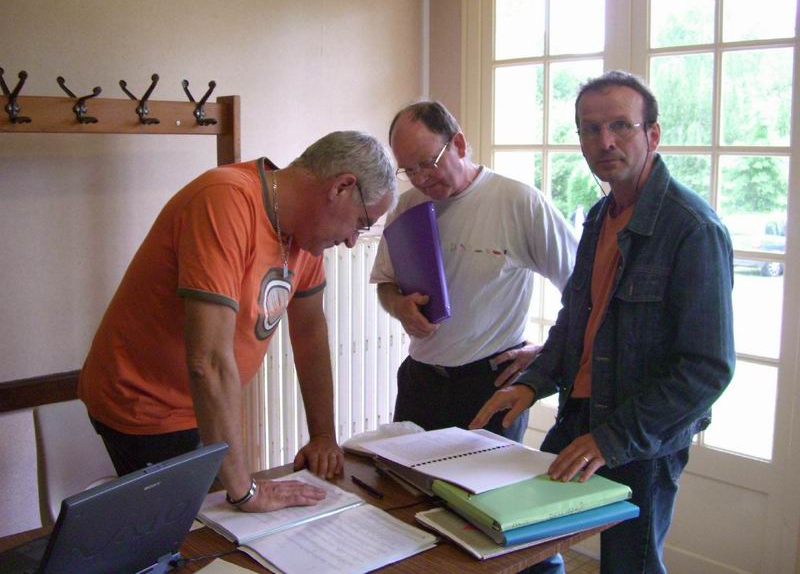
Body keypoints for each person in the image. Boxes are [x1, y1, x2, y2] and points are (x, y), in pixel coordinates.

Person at [471, 71, 735, 573]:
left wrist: (610, 440)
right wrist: (531, 384)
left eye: (620, 126)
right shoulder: (598, 217)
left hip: (642, 439)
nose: (604, 141)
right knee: (526, 547)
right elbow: (576, 321)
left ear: (652, 134)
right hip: (579, 418)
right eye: (590, 129)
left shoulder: (692, 228)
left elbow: (707, 368)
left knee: (629, 566)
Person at [79, 131, 397, 513]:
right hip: (145, 404)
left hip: (200, 405)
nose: (352, 241)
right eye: (361, 223)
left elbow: (310, 333)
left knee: (230, 520)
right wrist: (245, 491)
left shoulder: (305, 236)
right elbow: (208, 362)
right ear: (342, 187)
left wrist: (323, 437)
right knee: (198, 534)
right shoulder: (224, 199)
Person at [370, 100, 577, 443]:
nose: (420, 179)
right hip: (420, 381)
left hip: (490, 384)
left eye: (428, 163)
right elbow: (386, 283)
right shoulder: (407, 206)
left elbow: (584, 289)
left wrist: (548, 353)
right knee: (403, 477)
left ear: (459, 144)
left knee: (485, 480)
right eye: (409, 170)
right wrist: (399, 306)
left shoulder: (520, 202)